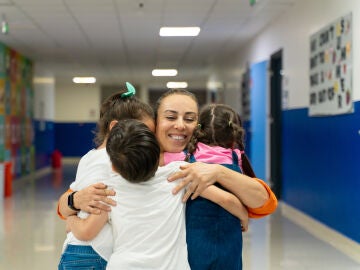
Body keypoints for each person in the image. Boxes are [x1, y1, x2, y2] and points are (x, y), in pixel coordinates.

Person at [60, 89, 277, 267]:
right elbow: (66, 207)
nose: (180, 125)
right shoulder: (131, 161)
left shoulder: (205, 162)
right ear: (154, 124)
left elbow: (264, 204)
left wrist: (218, 172)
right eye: (170, 117)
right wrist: (74, 200)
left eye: (190, 119)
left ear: (199, 127)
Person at [66, 119, 191, 270]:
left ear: (113, 167)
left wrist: (71, 218)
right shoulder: (178, 174)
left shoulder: (110, 191)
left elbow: (86, 232)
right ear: (158, 153)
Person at [57, 82, 155, 270]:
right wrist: (72, 220)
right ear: (114, 127)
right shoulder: (114, 162)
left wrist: (71, 215)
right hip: (93, 253)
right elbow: (88, 228)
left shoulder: (89, 157)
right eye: (143, 132)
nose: (147, 140)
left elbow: (70, 199)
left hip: (76, 249)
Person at [163, 103, 260, 269]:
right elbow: (241, 195)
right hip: (230, 238)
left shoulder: (182, 158)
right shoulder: (236, 157)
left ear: (199, 130)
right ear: (234, 133)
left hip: (194, 239)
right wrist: (244, 216)